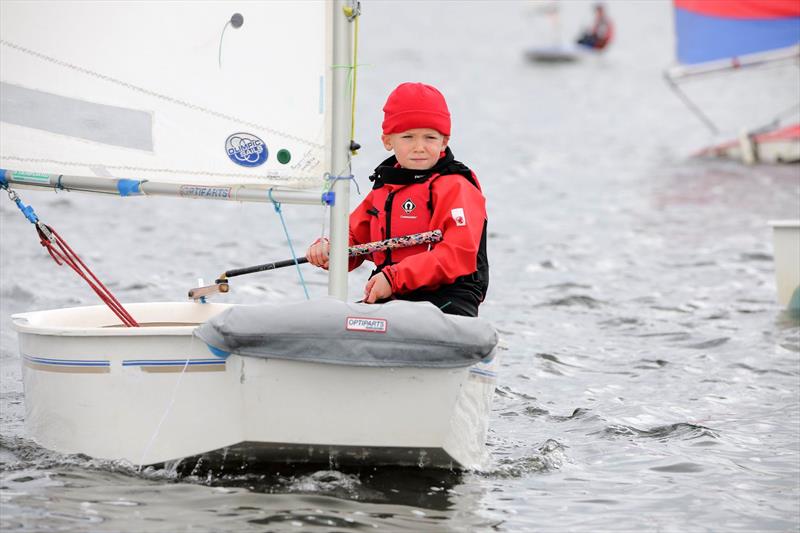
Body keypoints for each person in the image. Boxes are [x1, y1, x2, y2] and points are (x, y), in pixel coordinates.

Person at [305, 82, 489, 317]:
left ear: (444, 141)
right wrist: (328, 249)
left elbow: (457, 254)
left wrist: (393, 278)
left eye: (430, 137)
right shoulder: (385, 188)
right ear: (388, 141)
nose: (419, 147)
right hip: (392, 297)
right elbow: (353, 237)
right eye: (408, 137)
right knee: (335, 318)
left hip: (448, 299)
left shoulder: (456, 186)